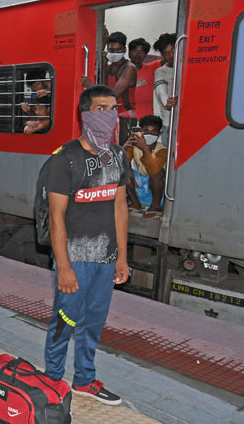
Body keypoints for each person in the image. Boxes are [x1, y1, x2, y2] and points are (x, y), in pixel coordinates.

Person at [44, 85, 130, 406]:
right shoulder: (65, 159)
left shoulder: (118, 155)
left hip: (105, 260)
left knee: (93, 323)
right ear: (85, 115)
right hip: (75, 260)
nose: (109, 114)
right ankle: (52, 381)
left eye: (113, 108)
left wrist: (122, 256)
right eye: (101, 108)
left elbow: (120, 208)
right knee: (64, 324)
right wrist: (64, 267)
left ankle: (84, 380)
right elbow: (56, 218)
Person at [83, 32, 137, 144]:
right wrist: (103, 65)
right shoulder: (110, 66)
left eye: (119, 50)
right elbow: (104, 87)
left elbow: (111, 96)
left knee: (123, 152)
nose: (115, 53)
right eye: (112, 50)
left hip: (125, 117)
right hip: (111, 115)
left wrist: (90, 86)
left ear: (124, 49)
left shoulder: (129, 68)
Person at [124, 115, 166, 220]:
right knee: (123, 170)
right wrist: (125, 147)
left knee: (158, 173)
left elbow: (154, 171)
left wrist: (145, 149)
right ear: (141, 131)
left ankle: (155, 207)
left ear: (159, 133)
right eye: (146, 131)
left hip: (157, 193)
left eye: (153, 131)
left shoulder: (162, 150)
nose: (149, 134)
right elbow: (121, 164)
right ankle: (135, 204)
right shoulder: (135, 146)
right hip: (141, 189)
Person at [153, 33, 178, 146]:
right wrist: (167, 102)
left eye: (173, 50)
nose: (172, 55)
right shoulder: (161, 72)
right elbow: (160, 90)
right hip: (170, 125)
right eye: (167, 53)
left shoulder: (190, 67)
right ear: (162, 55)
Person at [128, 38, 162, 120]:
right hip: (126, 119)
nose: (137, 54)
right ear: (129, 53)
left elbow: (169, 58)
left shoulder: (151, 68)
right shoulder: (121, 70)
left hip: (146, 121)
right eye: (134, 51)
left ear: (146, 54)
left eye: (141, 51)